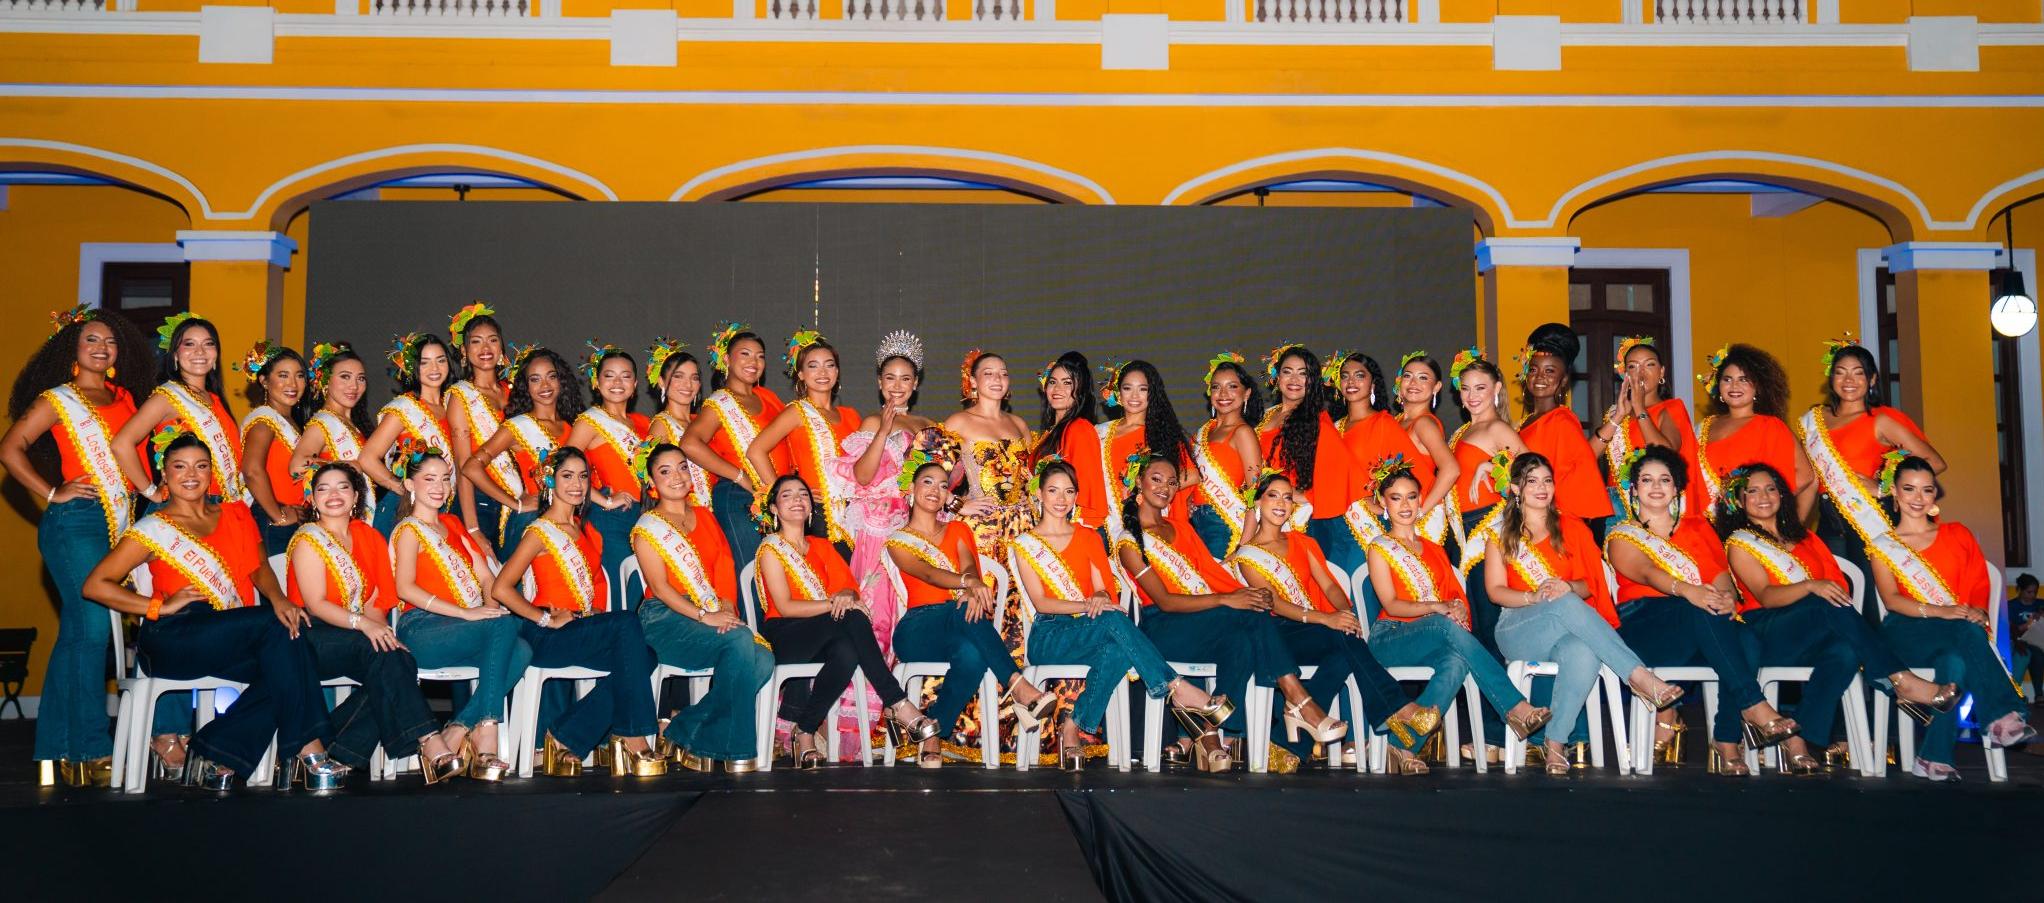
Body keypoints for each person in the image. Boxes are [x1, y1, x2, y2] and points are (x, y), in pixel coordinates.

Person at [81, 432, 340, 791]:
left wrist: (279, 599)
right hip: (174, 637)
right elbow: (95, 585)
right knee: (278, 632)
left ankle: (216, 749)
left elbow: (259, 568)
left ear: (211, 472)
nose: (191, 474)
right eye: (180, 466)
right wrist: (157, 606)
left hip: (226, 633)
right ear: (165, 475)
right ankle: (312, 753)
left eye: (201, 466)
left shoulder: (234, 514)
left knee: (288, 660)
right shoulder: (152, 528)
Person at [1233, 467, 1489, 774]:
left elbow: (1329, 586)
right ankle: (1397, 708)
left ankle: (1289, 742)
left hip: (1312, 629)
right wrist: (1327, 618)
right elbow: (1274, 602)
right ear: (1257, 502)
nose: (1281, 503)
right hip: (1277, 636)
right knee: (1343, 641)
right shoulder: (1247, 555)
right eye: (1273, 496)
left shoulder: (1303, 542)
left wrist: (1345, 613)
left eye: (1288, 497)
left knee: (1347, 640)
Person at [1719, 461, 1959, 772]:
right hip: (1766, 631)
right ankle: (1900, 679)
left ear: (1782, 495)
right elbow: (1765, 595)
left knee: (1845, 652)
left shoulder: (1805, 538)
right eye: (1752, 491)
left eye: (1771, 488)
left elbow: (1838, 584)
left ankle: (1798, 738)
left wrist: (1820, 590)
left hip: (1815, 629)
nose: (1764, 496)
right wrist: (1810, 586)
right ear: (1738, 500)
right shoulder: (1740, 542)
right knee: (1822, 603)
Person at [1115, 453, 1349, 773]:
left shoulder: (1181, 528)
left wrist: (1248, 593)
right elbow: (1166, 602)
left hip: (1201, 624)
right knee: (1248, 615)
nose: (1166, 488)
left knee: (1243, 634)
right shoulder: (1129, 542)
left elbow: (1212, 574)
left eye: (1172, 482)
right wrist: (1228, 599)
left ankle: (1213, 735)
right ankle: (1297, 699)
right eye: (1156, 479)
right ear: (1138, 483)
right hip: (1164, 629)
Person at [2, 306, 152, 787]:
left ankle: (58, 751)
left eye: (109, 341)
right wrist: (51, 492)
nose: (102, 347)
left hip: (117, 520)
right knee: (90, 627)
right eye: (91, 339)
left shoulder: (125, 396)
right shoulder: (58, 399)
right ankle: (89, 746)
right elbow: (9, 448)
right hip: (75, 521)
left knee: (79, 634)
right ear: (73, 348)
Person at [1011, 458, 1228, 771]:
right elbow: (1043, 603)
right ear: (1040, 495)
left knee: (1117, 646)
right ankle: (1176, 687)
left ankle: (1073, 727)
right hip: (1050, 635)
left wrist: (1098, 597)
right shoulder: (1026, 544)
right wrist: (1088, 604)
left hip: (1093, 629)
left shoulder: (1088, 537)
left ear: (1076, 496)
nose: (1061, 499)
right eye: (1054, 491)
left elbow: (1103, 591)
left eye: (1069, 491)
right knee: (1114, 621)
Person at [1481, 453, 1683, 776]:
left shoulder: (1570, 528)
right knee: (1562, 602)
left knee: (1584, 650)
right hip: (1518, 627)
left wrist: (1566, 588)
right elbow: (1495, 591)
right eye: (1532, 481)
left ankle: (1556, 743)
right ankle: (1639, 677)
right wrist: (1534, 596)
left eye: (1547, 480)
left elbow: (1590, 587)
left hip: (1565, 628)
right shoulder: (1500, 535)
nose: (1542, 488)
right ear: (1516, 488)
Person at [1604, 446, 1802, 774]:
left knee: (1747, 637)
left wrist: (1726, 597)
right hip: (1645, 625)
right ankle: (1754, 706)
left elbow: (1721, 577)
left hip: (1702, 623)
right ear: (1634, 489)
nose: (1656, 487)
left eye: (1664, 480)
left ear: (1677, 488)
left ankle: (1725, 740)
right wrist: (1689, 591)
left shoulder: (1697, 528)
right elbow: (1646, 572)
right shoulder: (1623, 534)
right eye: (1647, 480)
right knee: (1700, 609)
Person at [1353, 461, 1552, 774]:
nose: (1405, 505)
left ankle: (1402, 747)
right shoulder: (1379, 548)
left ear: (1421, 501)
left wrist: (1457, 606)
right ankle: (1513, 706)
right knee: (1446, 627)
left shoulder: (1435, 550)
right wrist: (1438, 607)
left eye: (1411, 497)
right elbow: (1392, 605)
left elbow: (1452, 596)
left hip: (1435, 635)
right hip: (1391, 636)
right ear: (1383, 504)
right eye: (1396, 498)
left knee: (1457, 662)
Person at [489, 445, 666, 777]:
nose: (577, 484)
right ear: (550, 482)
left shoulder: (582, 530)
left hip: (576, 629)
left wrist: (594, 611)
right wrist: (543, 617)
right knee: (627, 622)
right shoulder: (539, 531)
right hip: (545, 635)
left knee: (647, 656)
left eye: (583, 476)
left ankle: (566, 734)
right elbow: (500, 588)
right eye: (567, 476)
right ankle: (634, 736)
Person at [286, 461, 463, 782]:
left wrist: (380, 629)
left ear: (356, 496)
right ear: (312, 499)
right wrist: (366, 627)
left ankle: (335, 749)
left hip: (354, 638)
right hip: (312, 636)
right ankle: (429, 739)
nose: (333, 495)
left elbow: (376, 599)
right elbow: (316, 604)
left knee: (397, 658)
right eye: (323, 489)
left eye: (343, 487)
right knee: (386, 657)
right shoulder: (307, 538)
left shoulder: (367, 536)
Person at [887, 442, 1057, 768]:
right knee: (964, 610)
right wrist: (966, 584)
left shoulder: (958, 528)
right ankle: (1018, 686)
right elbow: (928, 572)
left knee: (973, 654)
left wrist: (969, 581)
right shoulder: (897, 539)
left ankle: (934, 731)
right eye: (927, 482)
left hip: (960, 621)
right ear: (911, 489)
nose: (936, 490)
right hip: (918, 628)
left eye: (942, 484)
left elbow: (968, 565)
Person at [752, 473, 939, 769]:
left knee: (848, 651)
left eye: (802, 494)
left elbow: (849, 588)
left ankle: (805, 730)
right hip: (786, 635)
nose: (797, 500)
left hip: (825, 629)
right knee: (850, 617)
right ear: (774, 509)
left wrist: (843, 596)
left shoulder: (823, 546)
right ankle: (898, 703)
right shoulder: (770, 549)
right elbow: (785, 607)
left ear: (811, 506)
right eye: (786, 495)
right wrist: (834, 602)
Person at [1866, 455, 2033, 781]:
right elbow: (1892, 600)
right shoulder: (1884, 545)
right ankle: (2002, 715)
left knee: (1956, 662)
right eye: (1909, 489)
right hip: (1906, 631)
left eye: (1927, 490)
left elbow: (1977, 585)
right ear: (1894, 493)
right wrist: (1942, 611)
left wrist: (1978, 611)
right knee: (1962, 630)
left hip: (1956, 631)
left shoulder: (1958, 535)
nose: (1918, 498)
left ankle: (1932, 757)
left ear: (1934, 496)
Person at [630, 442, 775, 773]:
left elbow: (724, 564)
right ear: (651, 481)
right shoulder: (646, 528)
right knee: (741, 643)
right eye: (665, 471)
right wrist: (704, 615)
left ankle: (683, 728)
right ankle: (737, 751)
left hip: (709, 612)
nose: (677, 476)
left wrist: (724, 604)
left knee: (763, 659)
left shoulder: (706, 517)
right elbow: (662, 588)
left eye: (682, 467)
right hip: (664, 619)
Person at [389, 444, 528, 781]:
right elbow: (405, 588)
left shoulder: (453, 524)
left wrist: (489, 609)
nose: (439, 487)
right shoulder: (408, 529)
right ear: (410, 485)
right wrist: (467, 614)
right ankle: (487, 731)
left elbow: (485, 578)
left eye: (445, 480)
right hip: (421, 628)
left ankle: (460, 727)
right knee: (507, 630)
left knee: (524, 649)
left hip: (464, 628)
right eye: (429, 479)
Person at [1799, 339, 1946, 613]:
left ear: (1872, 379)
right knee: (1835, 599)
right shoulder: (1815, 421)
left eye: (1858, 372)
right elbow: (1808, 479)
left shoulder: (1880, 419)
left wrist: (1884, 488)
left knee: (1872, 602)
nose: (1849, 379)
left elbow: (1934, 463)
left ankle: (1879, 656)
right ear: (1831, 378)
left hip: (1868, 517)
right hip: (1829, 520)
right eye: (1841, 371)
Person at [680, 322, 786, 579]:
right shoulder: (719, 403)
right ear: (726, 359)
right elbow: (689, 444)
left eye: (760, 356)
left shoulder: (768, 397)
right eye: (745, 354)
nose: (754, 361)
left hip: (770, 494)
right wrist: (741, 477)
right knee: (752, 570)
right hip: (738, 495)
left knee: (775, 572)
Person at [109, 314, 245, 505]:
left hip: (221, 505)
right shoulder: (167, 397)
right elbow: (121, 444)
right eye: (189, 344)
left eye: (208, 344)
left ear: (216, 354)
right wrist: (151, 492)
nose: (200, 351)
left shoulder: (214, 398)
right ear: (175, 355)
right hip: (185, 506)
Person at [463, 347, 580, 565]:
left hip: (570, 519)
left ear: (561, 381)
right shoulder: (518, 426)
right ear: (526, 387)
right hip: (531, 519)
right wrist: (514, 503)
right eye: (535, 380)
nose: (545, 386)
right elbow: (471, 467)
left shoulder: (572, 426)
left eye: (551, 377)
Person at [747, 329, 860, 548]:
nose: (822, 372)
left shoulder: (852, 416)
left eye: (829, 364)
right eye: (813, 365)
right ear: (800, 374)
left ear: (837, 371)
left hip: (854, 515)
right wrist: (785, 494)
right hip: (816, 514)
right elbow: (755, 451)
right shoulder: (797, 412)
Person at [1256, 345, 1362, 574]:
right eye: (1287, 371)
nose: (1294, 379)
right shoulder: (1265, 417)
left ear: (1312, 381)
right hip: (1261, 513)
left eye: (1303, 373)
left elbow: (1340, 473)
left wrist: (1303, 496)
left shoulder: (1317, 421)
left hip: (1297, 518)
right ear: (1276, 376)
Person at [563, 343, 649, 607]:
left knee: (648, 587)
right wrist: (603, 500)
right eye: (609, 375)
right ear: (597, 383)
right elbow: (561, 468)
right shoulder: (589, 422)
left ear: (635, 384)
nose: (617, 382)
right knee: (621, 586)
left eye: (625, 376)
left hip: (644, 514)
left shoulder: (643, 424)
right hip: (611, 517)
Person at [1590, 337, 1705, 520]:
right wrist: (1618, 416)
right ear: (1624, 374)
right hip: (1618, 506)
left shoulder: (1672, 408)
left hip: (1659, 503)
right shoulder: (1616, 413)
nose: (1641, 373)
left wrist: (1640, 409)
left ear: (1661, 372)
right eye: (1633, 367)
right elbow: (1586, 457)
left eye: (1649, 365)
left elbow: (1666, 452)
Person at [1696, 343, 1815, 521]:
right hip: (1707, 527)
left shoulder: (1770, 426)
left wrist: (1761, 504)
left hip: (1752, 524)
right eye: (1727, 379)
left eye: (1743, 379)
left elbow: (1805, 475)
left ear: (1757, 387)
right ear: (1718, 386)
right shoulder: (1704, 426)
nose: (1734, 385)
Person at [1515, 324, 1613, 535]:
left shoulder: (1562, 421)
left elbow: (1576, 481)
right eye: (1533, 369)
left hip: (1552, 528)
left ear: (1563, 381)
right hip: (1525, 521)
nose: (1540, 377)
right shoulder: (1523, 423)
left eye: (1550, 371)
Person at [358, 332, 454, 537]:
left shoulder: (451, 405)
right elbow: (367, 458)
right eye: (425, 362)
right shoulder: (404, 408)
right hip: (403, 508)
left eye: (440, 360)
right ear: (413, 368)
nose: (434, 368)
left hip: (441, 504)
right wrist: (402, 487)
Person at [1093, 359, 1195, 546]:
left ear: (1152, 394)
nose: (1134, 395)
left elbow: (1193, 475)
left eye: (1143, 389)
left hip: (1145, 522)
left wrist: (1151, 489)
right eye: (1127, 388)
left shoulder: (1161, 433)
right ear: (1118, 393)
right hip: (1104, 526)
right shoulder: (1099, 432)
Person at [443, 303, 515, 557]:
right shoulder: (461, 396)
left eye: (493, 340)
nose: (486, 349)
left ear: (502, 348)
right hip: (479, 502)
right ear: (464, 351)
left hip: (516, 499)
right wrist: (472, 528)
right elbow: (464, 465)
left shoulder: (514, 392)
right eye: (476, 342)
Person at [1188, 352, 1263, 559]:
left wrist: (1243, 546)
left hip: (1226, 526)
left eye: (1232, 386)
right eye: (1216, 387)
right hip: (1196, 525)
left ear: (1246, 393)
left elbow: (1255, 493)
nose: (1223, 394)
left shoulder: (1243, 433)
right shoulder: (1200, 434)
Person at [236, 342, 309, 551]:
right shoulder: (263, 421)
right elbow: (251, 470)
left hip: (292, 519)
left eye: (300, 375)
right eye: (283, 375)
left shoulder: (291, 422)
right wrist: (278, 515)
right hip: (272, 520)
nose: (293, 384)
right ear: (264, 381)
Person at [288, 343, 380, 499]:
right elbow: (297, 466)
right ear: (325, 380)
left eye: (361, 378)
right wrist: (347, 466)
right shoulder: (321, 423)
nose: (354, 386)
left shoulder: (351, 424)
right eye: (345, 377)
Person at [1030, 351, 1109, 528]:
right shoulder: (1050, 433)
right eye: (1053, 382)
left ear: (1080, 391)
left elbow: (1088, 489)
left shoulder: (1079, 428)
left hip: (1072, 529)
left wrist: (1077, 534)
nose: (1058, 389)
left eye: (1067, 383)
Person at [1391, 351, 1461, 545]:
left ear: (1436, 387)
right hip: (1400, 512)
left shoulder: (1424, 424)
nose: (1413, 383)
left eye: (1423, 378)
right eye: (1408, 376)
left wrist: (1421, 511)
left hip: (1419, 519)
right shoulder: (1395, 422)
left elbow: (1451, 469)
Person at [641, 337, 710, 503]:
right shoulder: (661, 425)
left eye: (694, 378)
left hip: (712, 510)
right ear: (661, 382)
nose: (688, 385)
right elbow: (657, 481)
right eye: (678, 376)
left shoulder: (701, 422)